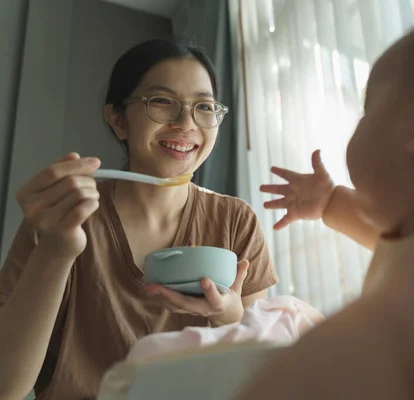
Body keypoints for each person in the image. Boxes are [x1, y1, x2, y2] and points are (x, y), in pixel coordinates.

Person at [237, 1, 414, 399]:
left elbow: (351, 354)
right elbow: (379, 234)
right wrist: (328, 201)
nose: (359, 123)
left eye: (367, 111)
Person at [0, 39, 278, 400]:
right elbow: (6, 387)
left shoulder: (236, 221)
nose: (186, 124)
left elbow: (261, 373)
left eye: (204, 107)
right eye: (162, 102)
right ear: (117, 119)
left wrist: (229, 316)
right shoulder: (60, 217)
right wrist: (56, 250)